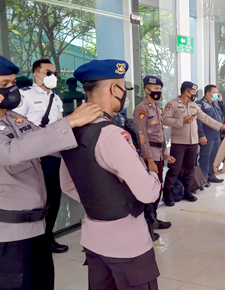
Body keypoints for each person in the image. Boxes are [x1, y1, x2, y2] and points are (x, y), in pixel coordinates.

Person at [0, 52, 102, 290]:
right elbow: (10, 152)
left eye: (13, 83)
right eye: (3, 85)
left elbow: (44, 142)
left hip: (37, 228)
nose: (11, 90)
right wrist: (69, 123)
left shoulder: (15, 118)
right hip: (5, 235)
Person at [60, 59, 162, 290]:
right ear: (114, 89)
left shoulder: (71, 131)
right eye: (123, 88)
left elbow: (67, 185)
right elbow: (147, 193)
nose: (124, 94)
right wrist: (154, 172)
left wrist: (101, 202)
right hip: (128, 245)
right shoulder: (112, 135)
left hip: (94, 241)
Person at [13, 59, 69, 254]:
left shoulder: (56, 98)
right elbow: (16, 126)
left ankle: (48, 237)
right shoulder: (23, 96)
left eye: (54, 73)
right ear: (36, 74)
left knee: (54, 197)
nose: (53, 77)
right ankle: (34, 240)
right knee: (38, 199)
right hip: (36, 157)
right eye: (48, 73)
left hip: (55, 154)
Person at [162, 82, 225, 206]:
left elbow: (204, 118)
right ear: (186, 92)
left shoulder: (193, 105)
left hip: (193, 142)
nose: (194, 95)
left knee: (190, 168)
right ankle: (168, 194)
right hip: (179, 142)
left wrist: (221, 126)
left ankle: (188, 191)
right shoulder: (173, 104)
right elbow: (165, 119)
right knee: (175, 169)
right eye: (192, 93)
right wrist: (182, 120)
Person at [134, 75, 175, 238]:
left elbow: (160, 134)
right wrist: (149, 159)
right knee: (150, 190)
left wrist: (166, 154)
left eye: (159, 89)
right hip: (149, 155)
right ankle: (147, 224)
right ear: (146, 89)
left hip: (158, 153)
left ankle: (154, 218)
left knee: (157, 189)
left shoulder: (156, 107)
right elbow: (142, 136)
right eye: (155, 89)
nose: (158, 92)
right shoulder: (141, 109)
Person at [196, 84, 225, 184]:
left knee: (214, 156)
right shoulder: (200, 104)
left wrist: (221, 101)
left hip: (216, 135)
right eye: (214, 93)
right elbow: (199, 121)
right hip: (207, 135)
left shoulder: (215, 103)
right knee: (205, 157)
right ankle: (203, 177)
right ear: (208, 93)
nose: (216, 94)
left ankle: (211, 175)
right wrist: (201, 134)